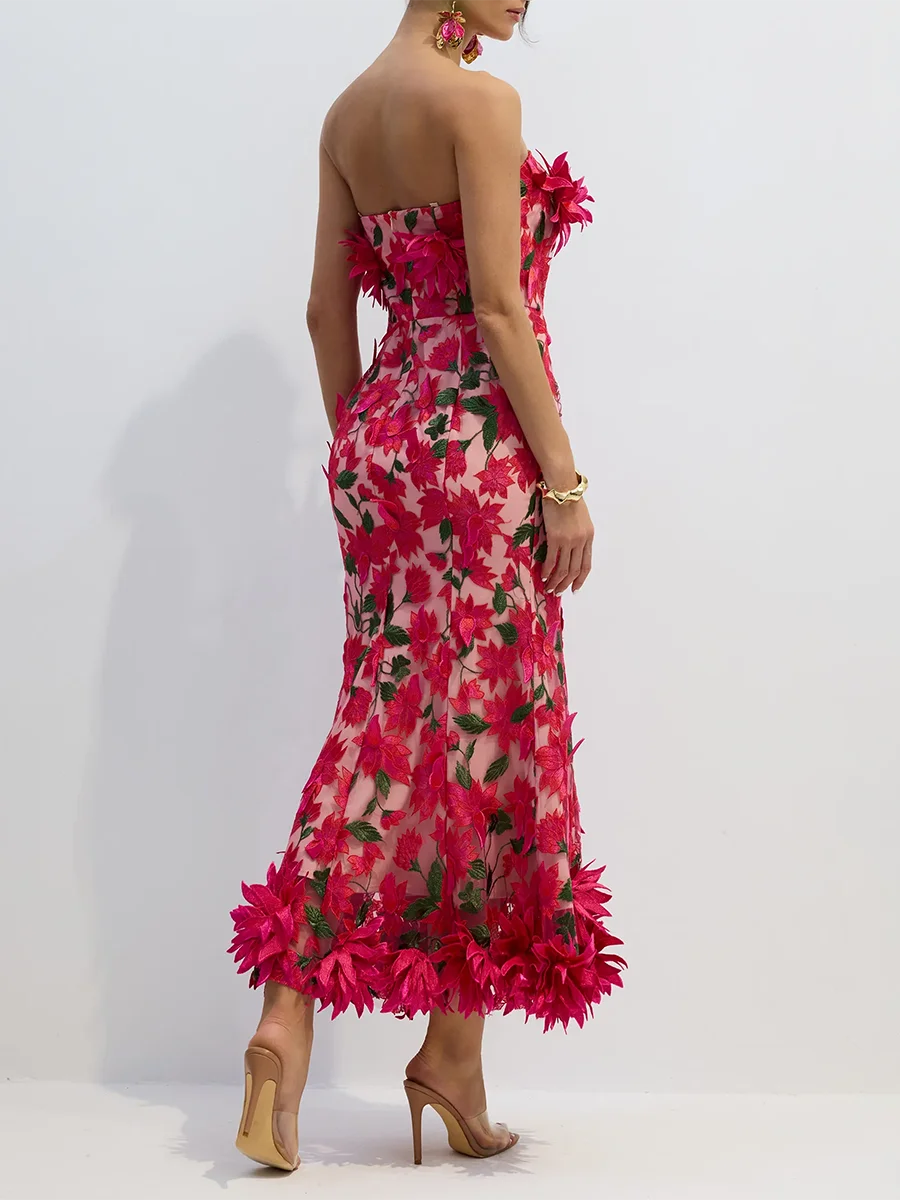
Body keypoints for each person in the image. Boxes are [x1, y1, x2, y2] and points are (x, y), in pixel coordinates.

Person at [228, 0, 627, 1171]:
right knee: (494, 729)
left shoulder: (348, 113)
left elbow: (323, 309)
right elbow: (500, 306)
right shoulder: (481, 102)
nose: (529, 3)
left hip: (383, 443)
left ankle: (293, 1018)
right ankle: (449, 1052)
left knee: (387, 719)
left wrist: (371, 450)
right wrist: (562, 481)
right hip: (480, 447)